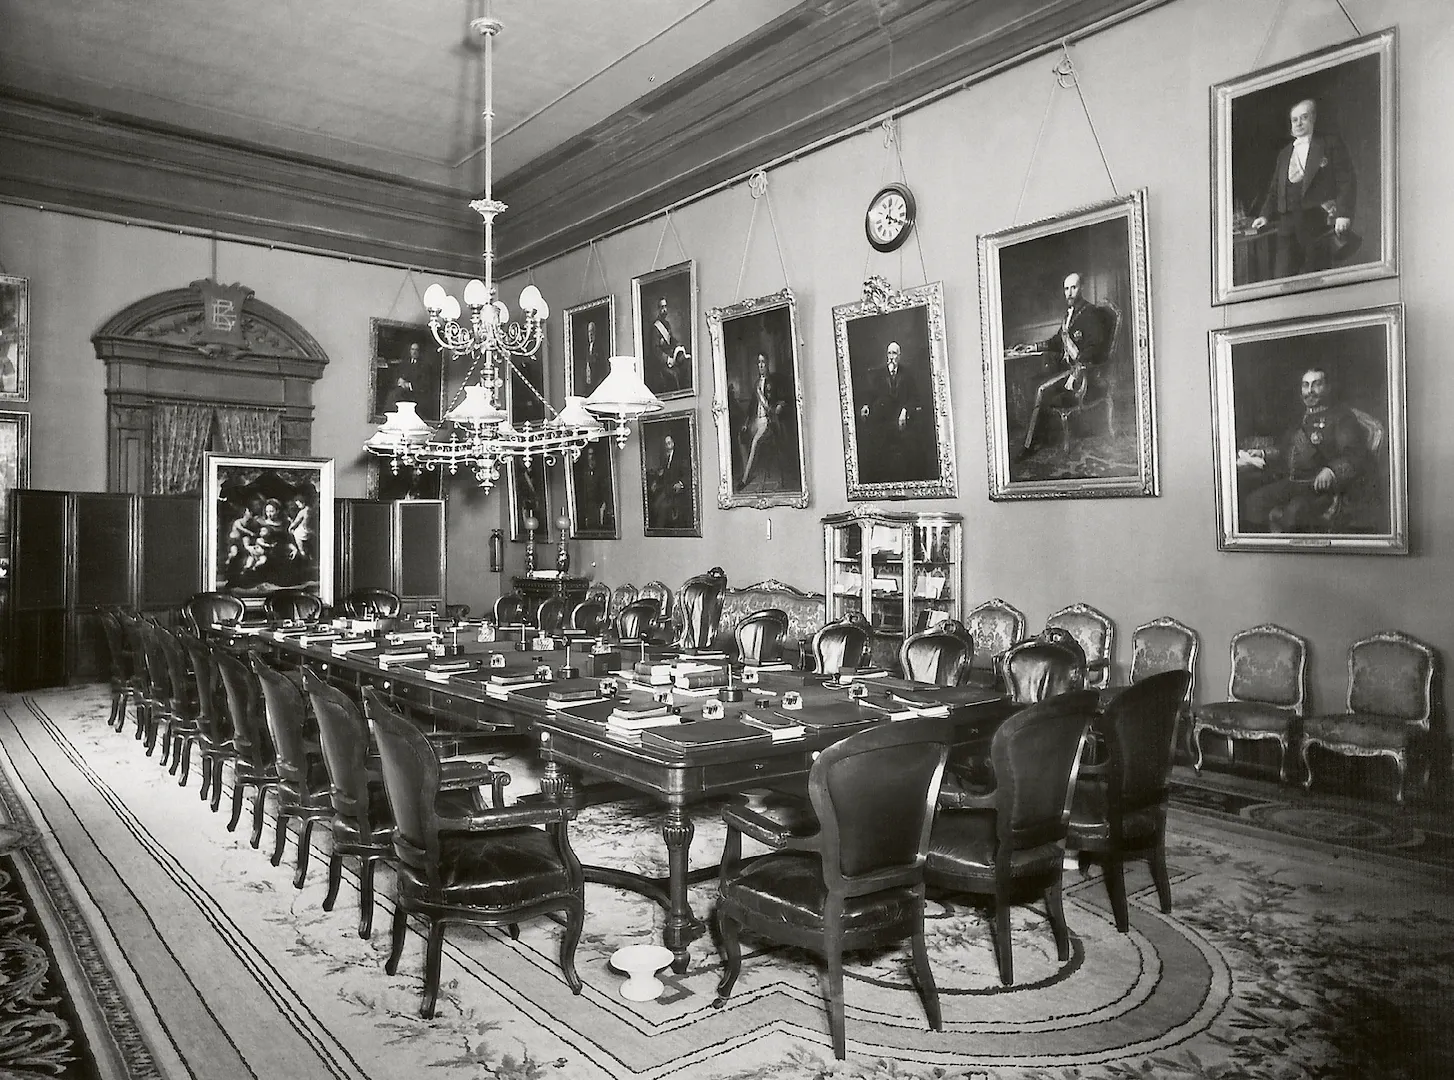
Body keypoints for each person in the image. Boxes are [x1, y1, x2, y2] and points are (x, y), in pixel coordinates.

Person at [1238, 366, 1371, 533]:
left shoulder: (1342, 417)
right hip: (1294, 482)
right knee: (1254, 502)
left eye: (1316, 385)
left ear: (1328, 388)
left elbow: (1355, 455)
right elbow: (1286, 448)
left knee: (1294, 512)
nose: (1310, 391)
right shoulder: (1300, 418)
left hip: (1322, 488)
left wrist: (1331, 471)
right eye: (1305, 385)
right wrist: (1263, 453)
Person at [1249, 98, 1357, 278]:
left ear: (1313, 118)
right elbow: (1275, 189)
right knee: (1282, 280)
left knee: (1316, 280)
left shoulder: (1329, 144)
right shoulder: (1284, 154)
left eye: (1304, 117)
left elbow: (1346, 180)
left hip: (1317, 224)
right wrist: (1264, 215)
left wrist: (1344, 213)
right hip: (1286, 227)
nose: (1298, 123)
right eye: (1295, 119)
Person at [1018, 273, 1111, 457]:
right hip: (1065, 369)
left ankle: (1028, 446)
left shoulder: (1090, 313)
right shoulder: (1069, 316)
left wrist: (1079, 363)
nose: (1069, 293)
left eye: (1073, 288)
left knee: (1042, 390)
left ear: (1081, 288)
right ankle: (1040, 435)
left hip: (1082, 374)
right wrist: (1032, 347)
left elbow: (1097, 346)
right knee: (1031, 381)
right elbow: (1056, 341)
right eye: (1066, 289)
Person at [857, 341, 928, 483]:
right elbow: (871, 395)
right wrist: (866, 405)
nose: (891, 357)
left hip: (901, 420)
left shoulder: (907, 375)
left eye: (894, 353)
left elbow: (915, 398)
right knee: (878, 450)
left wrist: (905, 410)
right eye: (889, 353)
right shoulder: (878, 375)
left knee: (909, 450)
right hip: (883, 420)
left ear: (899, 356)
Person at [737, 354, 786, 488]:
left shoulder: (773, 381)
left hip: (768, 421)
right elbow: (751, 407)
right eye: (758, 363)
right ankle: (746, 470)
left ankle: (745, 479)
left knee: (754, 443)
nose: (761, 365)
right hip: (755, 421)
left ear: (768, 363)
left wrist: (779, 407)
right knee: (741, 439)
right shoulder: (756, 384)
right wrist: (745, 424)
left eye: (763, 362)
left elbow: (782, 399)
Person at [649, 432, 689, 529]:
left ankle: (661, 529)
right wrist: (656, 481)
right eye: (666, 443)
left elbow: (687, 473)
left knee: (663, 508)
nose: (668, 445)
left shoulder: (680, 457)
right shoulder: (665, 458)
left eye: (669, 442)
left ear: (673, 443)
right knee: (654, 506)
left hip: (677, 490)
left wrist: (681, 483)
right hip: (666, 489)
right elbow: (663, 473)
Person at [651, 297, 690, 393]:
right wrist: (667, 359)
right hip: (662, 363)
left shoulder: (667, 324)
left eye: (665, 307)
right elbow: (655, 350)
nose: (664, 309)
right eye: (662, 307)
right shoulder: (655, 328)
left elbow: (672, 340)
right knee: (674, 375)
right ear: (658, 309)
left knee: (687, 365)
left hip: (672, 358)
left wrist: (680, 347)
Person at [580, 320, 605, 394]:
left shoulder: (599, 347)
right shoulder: (586, 348)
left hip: (596, 381)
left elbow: (601, 364)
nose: (590, 334)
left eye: (592, 331)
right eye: (589, 332)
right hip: (587, 381)